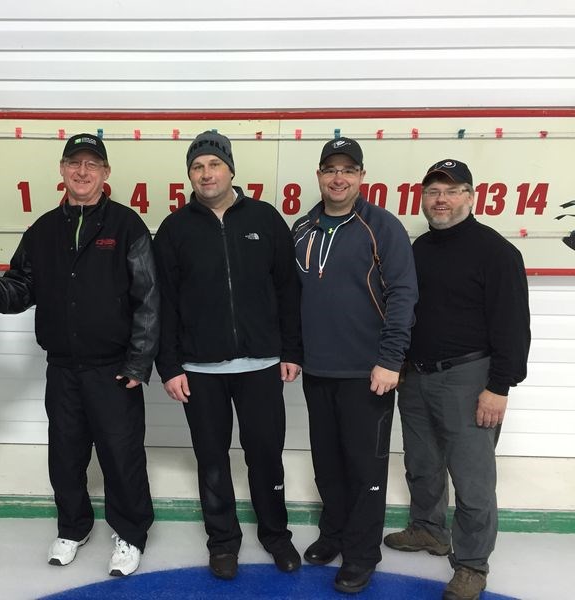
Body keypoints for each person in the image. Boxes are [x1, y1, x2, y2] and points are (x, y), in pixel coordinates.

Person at [0, 133, 157, 577]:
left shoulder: (126, 226)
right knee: (65, 453)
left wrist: (138, 361)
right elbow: (21, 285)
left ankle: (130, 533)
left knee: (121, 455)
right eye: (74, 163)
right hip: (62, 367)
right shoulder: (42, 229)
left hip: (114, 369)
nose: (83, 172)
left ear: (105, 173)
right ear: (61, 171)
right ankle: (73, 526)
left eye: (92, 164)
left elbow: (149, 298)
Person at [154, 130, 303, 580]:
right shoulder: (175, 229)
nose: (206, 173)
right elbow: (164, 303)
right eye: (197, 167)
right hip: (199, 370)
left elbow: (288, 290)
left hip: (261, 366)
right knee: (212, 460)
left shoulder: (266, 218)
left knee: (266, 456)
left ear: (231, 169)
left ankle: (276, 535)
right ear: (189, 176)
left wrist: (292, 350)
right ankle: (222, 542)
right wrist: (169, 366)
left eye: (213, 164)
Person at [384, 159, 530, 600]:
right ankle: (429, 529)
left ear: (470, 196)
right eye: (433, 192)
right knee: (422, 465)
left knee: (472, 479)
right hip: (416, 376)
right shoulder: (418, 250)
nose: (440, 200)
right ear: (422, 198)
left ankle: (471, 565)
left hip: (470, 378)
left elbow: (513, 327)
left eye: (451, 191)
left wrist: (499, 387)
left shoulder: (497, 253)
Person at [292, 137, 418, 593]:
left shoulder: (381, 226)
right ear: (320, 175)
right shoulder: (303, 227)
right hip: (318, 370)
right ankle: (335, 535)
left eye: (348, 169)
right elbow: (291, 298)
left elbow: (403, 295)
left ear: (362, 176)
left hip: (370, 374)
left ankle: (362, 554)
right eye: (330, 169)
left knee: (365, 470)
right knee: (328, 465)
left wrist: (390, 360)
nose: (338, 178)